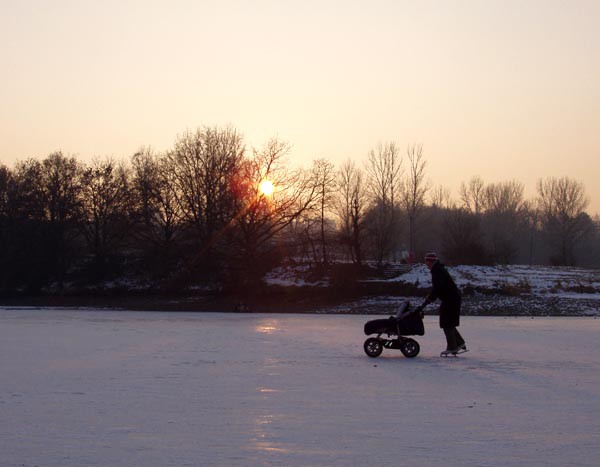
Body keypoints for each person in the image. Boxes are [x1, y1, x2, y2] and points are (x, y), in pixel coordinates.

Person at [417, 252, 467, 356]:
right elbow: (438, 289)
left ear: (431, 261)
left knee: (446, 322)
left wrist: (428, 300)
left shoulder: (437, 271)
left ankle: (452, 347)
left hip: (451, 299)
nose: (426, 265)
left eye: (427, 262)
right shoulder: (437, 270)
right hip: (451, 298)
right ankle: (459, 343)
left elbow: (437, 289)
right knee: (449, 321)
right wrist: (429, 299)